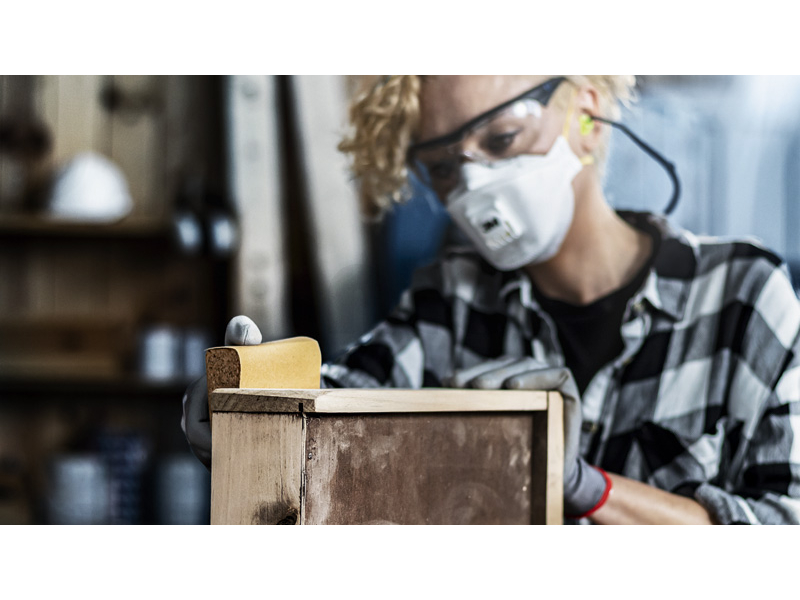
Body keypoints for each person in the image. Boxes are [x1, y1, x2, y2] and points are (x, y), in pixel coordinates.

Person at [183, 75, 800, 524]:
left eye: (502, 139)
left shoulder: (744, 299)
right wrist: (249, 404)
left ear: (586, 116)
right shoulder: (450, 298)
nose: (474, 185)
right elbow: (342, 397)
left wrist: (585, 486)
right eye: (444, 167)